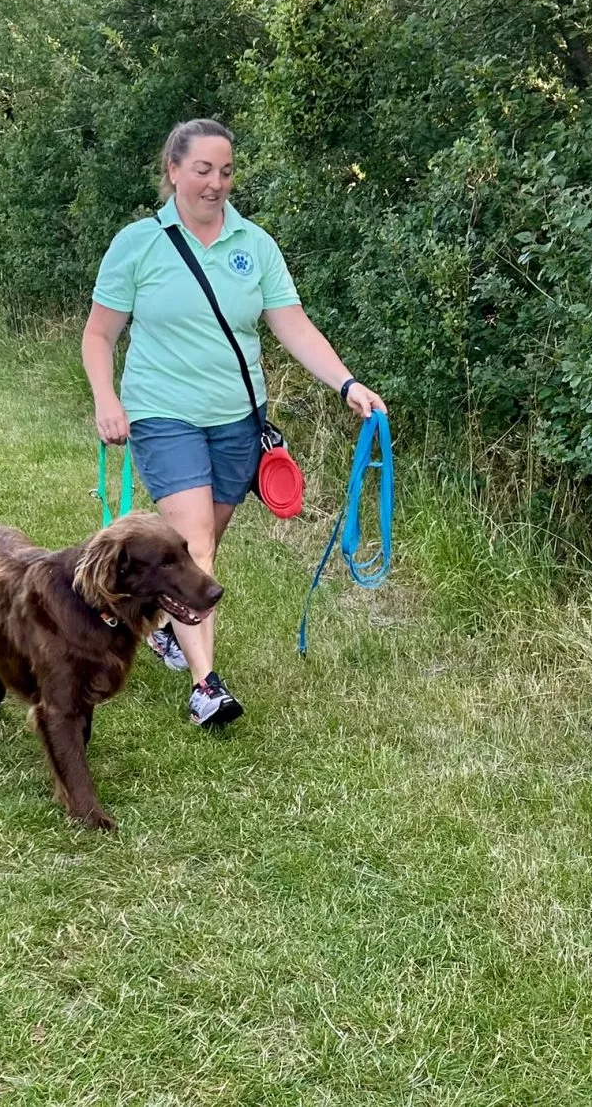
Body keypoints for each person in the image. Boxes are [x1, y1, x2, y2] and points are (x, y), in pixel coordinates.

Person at [81, 118, 386, 728]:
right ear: (173, 171)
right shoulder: (138, 244)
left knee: (201, 548)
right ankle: (206, 687)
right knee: (193, 539)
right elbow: (99, 334)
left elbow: (293, 325)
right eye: (202, 169)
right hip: (162, 413)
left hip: (238, 420)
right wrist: (106, 398)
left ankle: (161, 620)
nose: (215, 183)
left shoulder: (255, 244)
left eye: (225, 171)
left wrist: (348, 383)